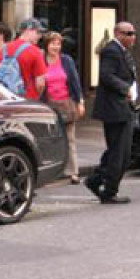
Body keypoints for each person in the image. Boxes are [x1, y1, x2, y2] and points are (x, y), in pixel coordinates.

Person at [85, 21, 137, 205]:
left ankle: (96, 180)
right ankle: (109, 191)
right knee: (119, 153)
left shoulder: (122, 51)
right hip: (114, 109)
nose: (133, 37)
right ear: (118, 33)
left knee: (121, 151)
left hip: (123, 108)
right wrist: (125, 89)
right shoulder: (111, 50)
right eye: (128, 33)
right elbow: (106, 76)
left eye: (133, 33)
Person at [42, 31, 84, 183]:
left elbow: (75, 81)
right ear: (46, 45)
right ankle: (51, 171)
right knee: (50, 139)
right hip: (48, 105)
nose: (56, 47)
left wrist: (80, 102)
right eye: (53, 43)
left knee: (70, 138)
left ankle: (73, 172)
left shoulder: (66, 60)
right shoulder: (41, 60)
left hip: (66, 103)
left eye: (58, 44)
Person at [2, 19, 47, 97]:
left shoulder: (4, 49)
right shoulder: (36, 51)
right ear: (28, 30)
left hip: (5, 99)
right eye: (38, 32)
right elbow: (40, 84)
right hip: (27, 101)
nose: (40, 36)